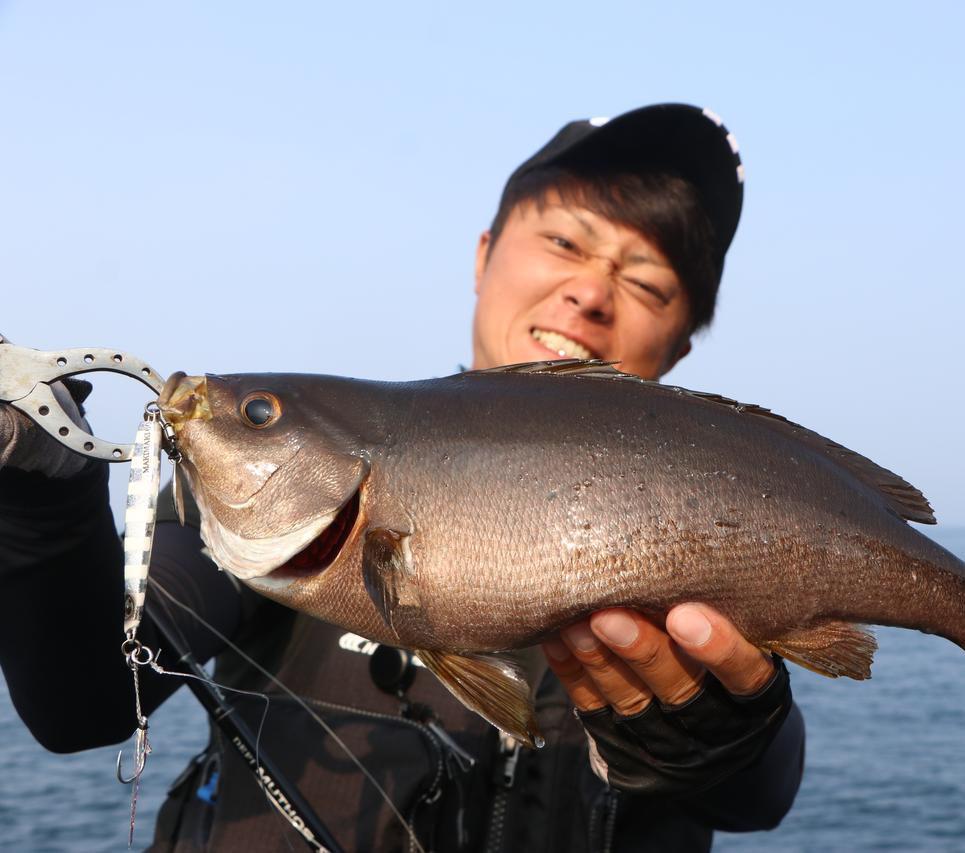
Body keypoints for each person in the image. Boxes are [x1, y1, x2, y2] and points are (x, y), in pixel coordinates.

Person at [0, 103, 805, 852]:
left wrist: (730, 739)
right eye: (565, 242)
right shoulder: (295, 467)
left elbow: (759, 797)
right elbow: (86, 699)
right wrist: (48, 506)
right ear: (485, 255)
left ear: (681, 346)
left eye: (647, 282)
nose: (591, 291)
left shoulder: (710, 533)